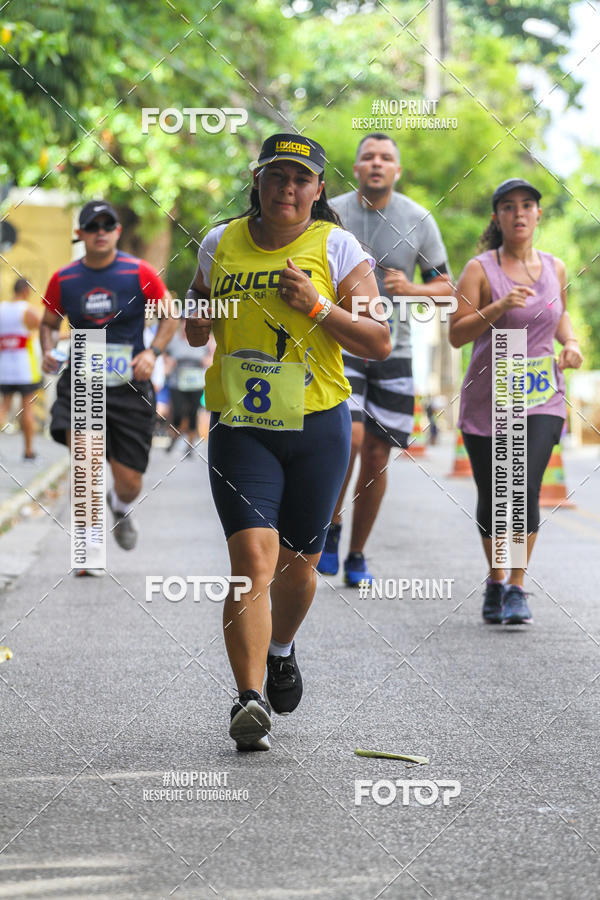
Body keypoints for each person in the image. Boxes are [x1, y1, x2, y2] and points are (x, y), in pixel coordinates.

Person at [185, 133, 391, 751]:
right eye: (277, 176)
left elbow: (378, 341)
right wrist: (197, 322)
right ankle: (248, 701)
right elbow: (196, 314)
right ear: (259, 181)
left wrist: (318, 305)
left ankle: (281, 650)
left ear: (319, 189)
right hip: (241, 428)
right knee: (253, 560)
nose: (288, 188)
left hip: (317, 425)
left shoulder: (338, 246)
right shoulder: (219, 242)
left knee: (299, 564)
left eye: (301, 179)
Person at [319, 133, 453, 585]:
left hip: (396, 350)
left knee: (377, 455)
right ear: (355, 167)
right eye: (368, 157)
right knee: (349, 439)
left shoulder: (417, 218)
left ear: (397, 170)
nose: (376, 164)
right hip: (343, 345)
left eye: (386, 158)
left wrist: (412, 288)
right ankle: (330, 529)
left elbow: (445, 288)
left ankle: (357, 554)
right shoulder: (332, 213)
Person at [450, 178, 583, 625]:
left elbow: (560, 317)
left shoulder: (556, 268)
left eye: (527, 205)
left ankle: (517, 587)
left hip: (542, 395)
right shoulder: (480, 269)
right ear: (497, 217)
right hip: (489, 401)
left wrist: (573, 344)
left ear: (539, 214)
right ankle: (495, 578)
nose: (520, 213)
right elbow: (457, 334)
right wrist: (499, 305)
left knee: (522, 488)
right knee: (494, 493)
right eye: (509, 207)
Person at [40, 201, 176, 572]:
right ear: (80, 234)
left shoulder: (139, 272)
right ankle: (88, 548)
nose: (101, 231)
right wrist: (48, 351)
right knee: (85, 460)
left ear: (117, 231)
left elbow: (169, 315)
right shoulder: (64, 278)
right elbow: (48, 322)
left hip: (129, 386)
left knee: (129, 481)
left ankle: (120, 505)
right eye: (92, 225)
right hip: (81, 381)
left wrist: (153, 352)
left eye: (108, 225)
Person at [0, 278, 43, 460]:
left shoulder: (1, 309)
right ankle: (28, 452)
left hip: (4, 366)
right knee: (27, 408)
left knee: (4, 407)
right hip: (25, 367)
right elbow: (46, 330)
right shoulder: (27, 310)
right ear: (26, 290)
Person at [164, 320, 213, 456]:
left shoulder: (202, 341)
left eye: (190, 323)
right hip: (177, 382)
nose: (186, 326)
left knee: (192, 413)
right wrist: (168, 362)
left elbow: (210, 358)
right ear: (180, 324)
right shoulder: (173, 341)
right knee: (178, 412)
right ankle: (174, 437)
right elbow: (164, 355)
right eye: (184, 322)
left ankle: (190, 445)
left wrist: (206, 361)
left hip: (195, 383)